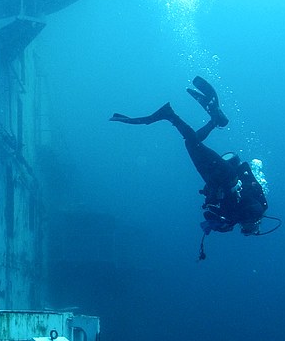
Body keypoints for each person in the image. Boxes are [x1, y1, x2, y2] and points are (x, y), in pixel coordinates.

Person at [111, 76, 268, 253]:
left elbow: (219, 206)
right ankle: (170, 114)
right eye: (251, 230)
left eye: (245, 231)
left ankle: (213, 120)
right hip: (226, 176)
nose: (246, 229)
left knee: (192, 142)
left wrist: (218, 217)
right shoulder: (257, 210)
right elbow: (245, 194)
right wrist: (227, 219)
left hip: (214, 180)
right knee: (192, 143)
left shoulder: (235, 218)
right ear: (257, 225)